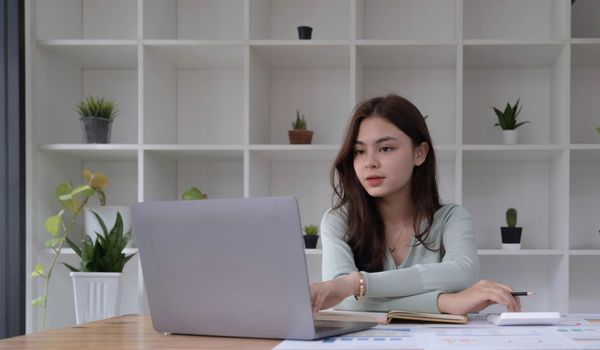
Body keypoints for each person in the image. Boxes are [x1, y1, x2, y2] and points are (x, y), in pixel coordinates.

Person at [310, 94, 521, 316]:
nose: (369, 162)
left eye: (385, 148)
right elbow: (342, 302)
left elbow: (462, 274)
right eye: (359, 151)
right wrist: (445, 303)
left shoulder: (452, 218)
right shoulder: (338, 220)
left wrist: (357, 284)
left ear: (419, 153)